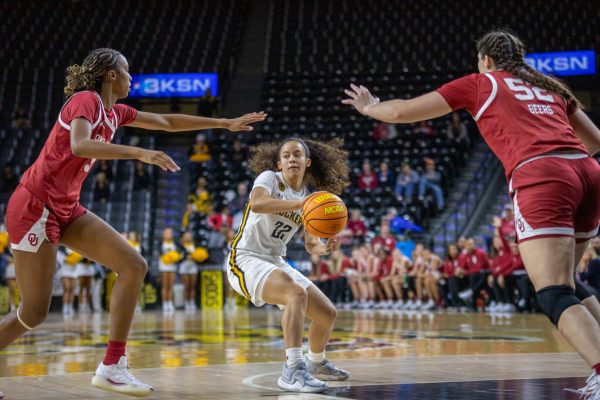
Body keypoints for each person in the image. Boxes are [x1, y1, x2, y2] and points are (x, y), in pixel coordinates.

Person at [343, 30, 600, 396]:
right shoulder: (551, 88)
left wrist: (368, 107)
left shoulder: (482, 83)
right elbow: (594, 142)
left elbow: (401, 111)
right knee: (568, 282)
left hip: (543, 173)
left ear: (487, 60)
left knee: (553, 292)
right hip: (588, 172)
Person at [0, 48, 265, 398]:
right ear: (111, 74)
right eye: (127, 70)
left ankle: (112, 367)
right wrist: (140, 153)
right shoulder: (85, 100)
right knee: (33, 313)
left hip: (65, 207)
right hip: (35, 206)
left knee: (133, 264)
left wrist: (223, 124)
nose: (131, 76)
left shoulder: (115, 112)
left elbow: (167, 122)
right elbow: (80, 145)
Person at [227, 137, 350, 393]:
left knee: (326, 313)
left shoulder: (309, 196)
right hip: (245, 258)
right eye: (286, 155)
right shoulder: (270, 179)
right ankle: (293, 369)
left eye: (297, 155)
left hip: (274, 260)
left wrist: (325, 246)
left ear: (308, 162)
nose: (291, 159)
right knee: (296, 292)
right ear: (279, 163)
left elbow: (310, 244)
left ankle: (316, 363)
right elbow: (258, 204)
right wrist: (300, 205)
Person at [158, 227, 179, 313]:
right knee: (165, 285)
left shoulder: (175, 243)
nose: (168, 234)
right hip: (164, 265)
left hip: (172, 266)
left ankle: (170, 303)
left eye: (170, 233)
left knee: (171, 285)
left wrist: (175, 257)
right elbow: (160, 253)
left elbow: (179, 253)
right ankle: (164, 303)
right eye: (166, 233)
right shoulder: (161, 243)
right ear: (163, 234)